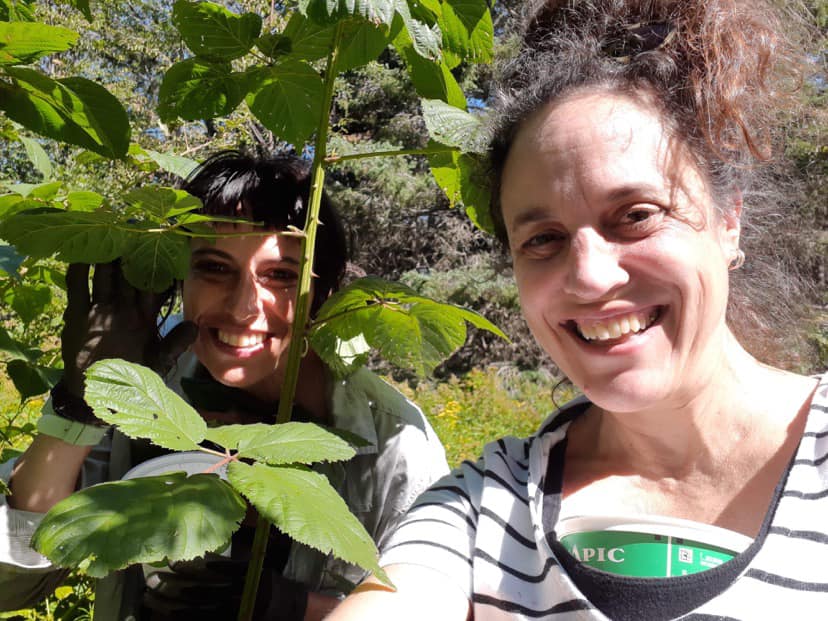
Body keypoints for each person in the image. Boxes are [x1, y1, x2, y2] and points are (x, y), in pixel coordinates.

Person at [327, 0, 828, 619]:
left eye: (637, 215)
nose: (589, 278)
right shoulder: (484, 506)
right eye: (542, 240)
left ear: (729, 220)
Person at [0, 151, 449, 620]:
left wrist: (294, 608)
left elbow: (436, 607)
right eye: (214, 268)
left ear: (325, 291)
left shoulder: (395, 445)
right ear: (178, 275)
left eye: (281, 275)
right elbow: (12, 587)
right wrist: (79, 405)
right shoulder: (150, 388)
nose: (242, 308)